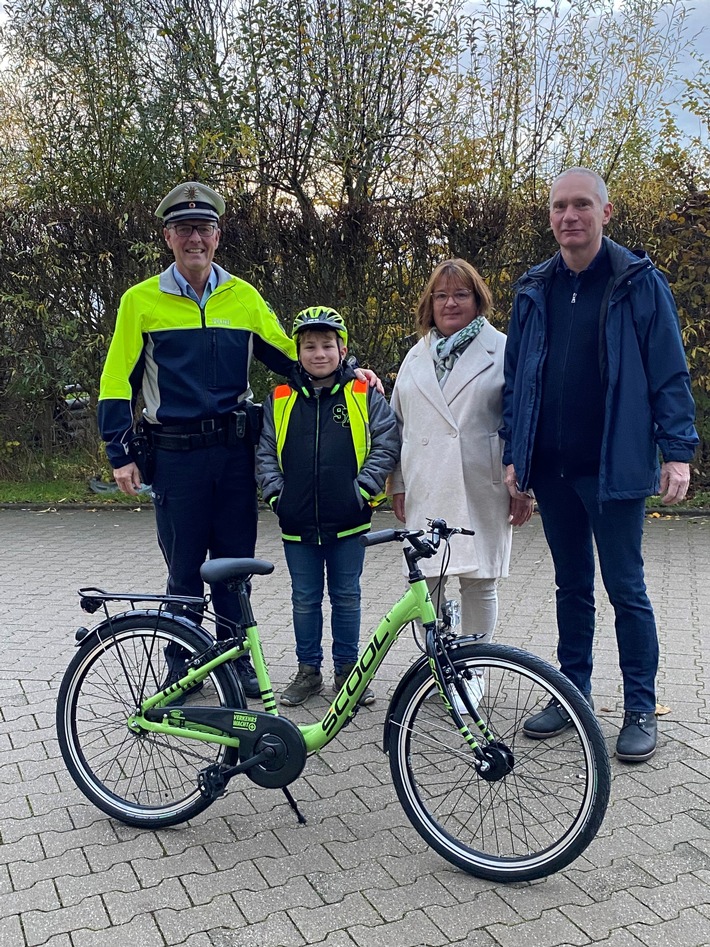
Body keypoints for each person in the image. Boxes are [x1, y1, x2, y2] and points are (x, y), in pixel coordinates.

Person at [98, 182, 380, 699]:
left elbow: (294, 359)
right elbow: (117, 382)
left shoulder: (243, 297)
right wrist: (120, 455)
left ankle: (235, 664)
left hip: (233, 455)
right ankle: (182, 664)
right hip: (176, 457)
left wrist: (355, 374)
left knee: (232, 569)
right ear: (168, 237)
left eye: (203, 229)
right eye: (184, 230)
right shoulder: (140, 302)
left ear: (218, 236)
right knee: (183, 572)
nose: (195, 239)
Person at [501, 167, 698, 762]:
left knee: (626, 588)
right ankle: (573, 694)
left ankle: (640, 706)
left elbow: (668, 370)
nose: (569, 216)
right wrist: (516, 453)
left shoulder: (638, 283)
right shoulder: (535, 287)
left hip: (613, 469)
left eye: (581, 205)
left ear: (605, 213)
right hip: (554, 469)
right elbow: (517, 382)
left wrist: (679, 453)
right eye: (560, 206)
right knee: (570, 585)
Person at [386, 259, 533, 656]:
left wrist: (526, 487)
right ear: (429, 304)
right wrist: (396, 483)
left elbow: (523, 420)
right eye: (442, 295)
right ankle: (438, 668)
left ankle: (476, 670)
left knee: (479, 580)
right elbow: (399, 426)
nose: (451, 303)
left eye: (461, 294)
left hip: (481, 485)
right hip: (426, 484)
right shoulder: (415, 357)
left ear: (478, 299)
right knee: (426, 582)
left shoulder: (503, 349)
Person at [256, 307, 400, 706]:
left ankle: (348, 674)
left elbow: (386, 442)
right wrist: (276, 496)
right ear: (298, 352)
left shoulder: (361, 393)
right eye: (308, 346)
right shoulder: (280, 398)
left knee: (346, 596)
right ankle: (308, 672)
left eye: (326, 345)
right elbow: (265, 451)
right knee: (304, 598)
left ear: (342, 348)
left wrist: (364, 491)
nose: (318, 354)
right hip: (297, 523)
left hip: (349, 521)